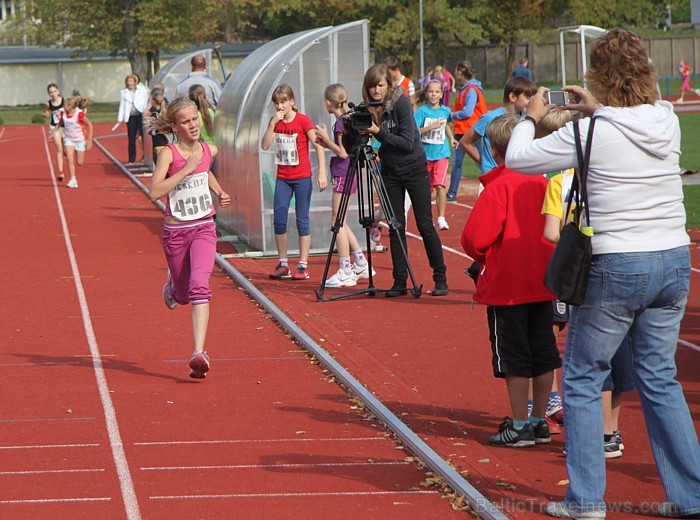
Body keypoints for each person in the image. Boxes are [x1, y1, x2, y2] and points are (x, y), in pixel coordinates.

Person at [505, 28, 700, 518]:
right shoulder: (666, 119)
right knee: (660, 377)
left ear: (599, 77)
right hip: (674, 257)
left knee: (583, 376)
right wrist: (600, 109)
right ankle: (692, 494)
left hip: (618, 261)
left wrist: (531, 117)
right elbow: (629, 123)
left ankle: (586, 499)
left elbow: (517, 158)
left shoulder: (590, 131)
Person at [461, 114, 560, 448]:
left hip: (509, 286)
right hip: (544, 281)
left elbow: (475, 240)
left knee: (515, 357)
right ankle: (539, 420)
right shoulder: (543, 182)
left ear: (492, 148)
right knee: (544, 352)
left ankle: (519, 425)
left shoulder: (498, 187)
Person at [146, 96, 231, 379]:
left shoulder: (207, 150)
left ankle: (199, 352)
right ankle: (172, 287)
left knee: (199, 286)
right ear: (175, 126)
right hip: (176, 232)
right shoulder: (168, 154)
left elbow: (205, 173)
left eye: (195, 119)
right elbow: (155, 192)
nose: (193, 125)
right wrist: (185, 169)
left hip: (204, 227)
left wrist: (219, 191)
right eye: (186, 122)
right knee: (182, 296)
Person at [358, 63, 448, 297]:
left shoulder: (401, 104)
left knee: (425, 225)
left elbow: (408, 143)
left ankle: (440, 278)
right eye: (371, 87)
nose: (376, 90)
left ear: (388, 84)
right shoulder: (370, 108)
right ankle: (400, 281)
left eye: (380, 85)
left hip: (414, 167)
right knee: (396, 226)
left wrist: (378, 132)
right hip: (390, 172)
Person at [261, 84, 327, 281]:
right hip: (283, 178)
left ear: (292, 101)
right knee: (279, 219)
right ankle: (283, 263)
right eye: (277, 103)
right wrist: (272, 124)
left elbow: (319, 145)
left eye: (283, 102)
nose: (280, 106)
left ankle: (303, 265)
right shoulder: (276, 122)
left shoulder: (303, 121)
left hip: (302, 178)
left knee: (302, 219)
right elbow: (265, 145)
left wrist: (322, 172)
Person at [314, 83, 373, 288]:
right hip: (352, 171)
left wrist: (325, 140)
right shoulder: (350, 118)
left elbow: (341, 152)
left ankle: (345, 268)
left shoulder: (340, 122)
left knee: (336, 221)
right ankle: (360, 261)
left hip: (343, 171)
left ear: (329, 103)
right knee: (341, 220)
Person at [461, 76, 536, 178]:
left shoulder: (526, 120)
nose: (531, 102)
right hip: (492, 176)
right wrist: (484, 162)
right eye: (528, 98)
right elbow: (465, 142)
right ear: (512, 97)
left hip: (514, 175)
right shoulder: (490, 118)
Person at [413, 79, 458, 231]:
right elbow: (415, 131)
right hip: (425, 155)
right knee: (426, 189)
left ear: (441, 94)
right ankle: (427, 218)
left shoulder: (445, 111)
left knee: (440, 185)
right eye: (431, 91)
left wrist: (451, 139)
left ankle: (441, 218)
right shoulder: (421, 112)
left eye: (437, 92)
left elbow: (446, 126)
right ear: (426, 93)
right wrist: (431, 127)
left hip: (441, 153)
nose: (433, 94)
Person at [447, 60, 487, 201]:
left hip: (472, 131)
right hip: (461, 130)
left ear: (459, 72)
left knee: (481, 161)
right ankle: (451, 193)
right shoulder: (464, 88)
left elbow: (468, 112)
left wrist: (451, 115)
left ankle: (492, 185)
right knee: (457, 162)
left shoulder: (471, 89)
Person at [50, 96, 93, 189]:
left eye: (65, 104)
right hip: (69, 139)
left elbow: (90, 125)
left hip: (80, 139)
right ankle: (73, 179)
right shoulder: (63, 114)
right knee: (69, 158)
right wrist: (53, 132)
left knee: (79, 163)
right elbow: (60, 123)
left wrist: (89, 139)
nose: (63, 106)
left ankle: (78, 153)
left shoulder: (79, 114)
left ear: (70, 106)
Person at [114, 74, 149, 164]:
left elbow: (145, 100)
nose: (129, 83)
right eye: (128, 81)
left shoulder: (141, 90)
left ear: (135, 82)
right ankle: (131, 159)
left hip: (140, 115)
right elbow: (122, 106)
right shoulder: (124, 92)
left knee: (144, 136)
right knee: (131, 138)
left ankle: (147, 156)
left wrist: (146, 111)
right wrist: (120, 118)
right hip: (131, 117)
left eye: (131, 81)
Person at [43, 83, 65, 181]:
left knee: (65, 150)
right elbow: (46, 111)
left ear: (58, 91)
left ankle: (65, 151)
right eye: (51, 92)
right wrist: (46, 114)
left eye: (54, 91)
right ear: (48, 94)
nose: (53, 94)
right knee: (59, 148)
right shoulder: (49, 104)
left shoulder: (65, 102)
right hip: (54, 127)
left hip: (65, 127)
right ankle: (61, 172)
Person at [147, 86, 169, 164]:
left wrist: (168, 139)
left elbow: (162, 129)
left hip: (160, 140)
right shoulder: (156, 112)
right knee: (157, 159)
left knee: (160, 160)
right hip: (157, 139)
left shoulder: (158, 113)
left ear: (153, 101)